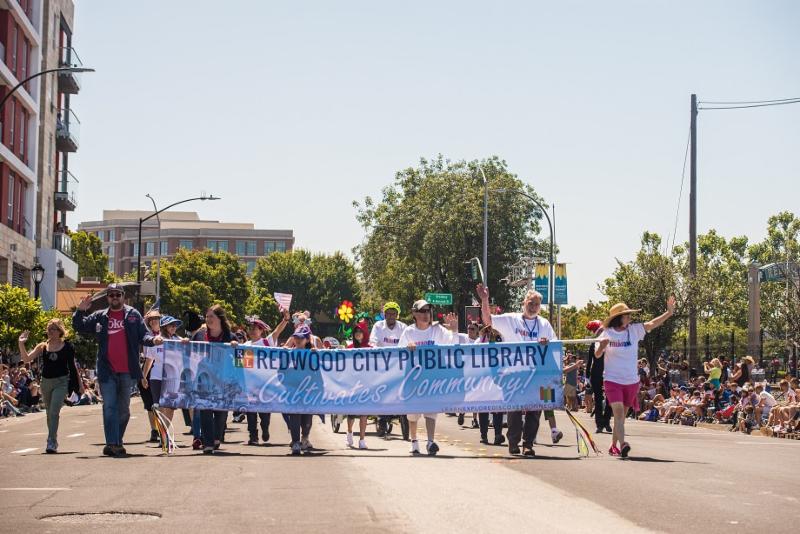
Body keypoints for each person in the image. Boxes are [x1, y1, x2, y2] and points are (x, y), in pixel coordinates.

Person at [72, 283, 161, 457]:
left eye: (118, 294)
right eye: (111, 294)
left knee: (124, 411)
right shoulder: (100, 316)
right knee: (110, 407)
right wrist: (80, 310)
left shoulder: (133, 315)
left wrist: (153, 340)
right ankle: (113, 443)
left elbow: (143, 335)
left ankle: (115, 441)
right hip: (107, 371)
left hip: (127, 370)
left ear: (123, 296)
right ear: (107, 298)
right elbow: (79, 326)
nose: (114, 297)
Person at [476, 284, 557, 457]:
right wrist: (485, 299)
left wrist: (547, 344)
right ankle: (513, 442)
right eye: (530, 303)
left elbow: (555, 346)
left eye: (537, 304)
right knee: (514, 410)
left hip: (536, 374)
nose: (533, 307)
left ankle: (528, 444)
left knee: (535, 410)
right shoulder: (511, 319)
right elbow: (488, 320)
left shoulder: (544, 324)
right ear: (523, 303)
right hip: (514, 373)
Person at [594, 296, 675, 458]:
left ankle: (613, 446)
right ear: (618, 317)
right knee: (618, 414)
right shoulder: (606, 333)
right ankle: (623, 444)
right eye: (627, 315)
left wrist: (668, 313)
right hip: (612, 380)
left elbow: (652, 324)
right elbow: (597, 355)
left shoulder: (634, 330)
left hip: (631, 381)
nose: (630, 317)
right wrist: (602, 346)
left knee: (621, 418)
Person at [398, 299, 459, 456]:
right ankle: (414, 441)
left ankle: (430, 442)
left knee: (431, 411)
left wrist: (454, 330)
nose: (426, 314)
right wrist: (407, 347)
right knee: (413, 414)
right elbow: (398, 354)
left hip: (432, 379)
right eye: (422, 311)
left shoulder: (437, 330)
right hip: (414, 378)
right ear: (414, 313)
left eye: (428, 311)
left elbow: (453, 346)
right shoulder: (408, 332)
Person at [17, 319, 82, 453]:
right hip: (45, 382)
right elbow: (27, 359)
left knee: (54, 411)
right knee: (49, 413)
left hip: (61, 382)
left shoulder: (67, 346)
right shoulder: (42, 346)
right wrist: (21, 344)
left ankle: (51, 441)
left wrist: (79, 384)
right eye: (49, 329)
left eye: (53, 329)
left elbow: (73, 366)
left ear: (60, 331)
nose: (50, 331)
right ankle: (53, 438)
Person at [194, 304, 237, 454]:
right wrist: (185, 343)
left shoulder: (230, 337)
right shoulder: (199, 335)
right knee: (205, 409)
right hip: (204, 379)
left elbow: (241, 361)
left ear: (220, 318)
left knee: (220, 411)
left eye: (211, 316)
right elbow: (189, 353)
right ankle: (208, 442)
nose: (208, 319)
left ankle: (217, 437)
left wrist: (235, 349)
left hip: (223, 380)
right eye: (207, 316)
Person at [242, 313, 288, 445]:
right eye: (250, 328)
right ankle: (253, 436)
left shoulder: (267, 342)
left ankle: (265, 427)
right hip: (250, 386)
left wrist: (285, 320)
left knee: (265, 412)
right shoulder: (245, 345)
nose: (252, 331)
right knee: (251, 412)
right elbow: (242, 365)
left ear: (261, 331)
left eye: (255, 328)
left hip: (266, 385)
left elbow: (277, 331)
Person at [369, 301, 407, 436]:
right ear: (384, 315)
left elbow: (408, 341)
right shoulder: (378, 326)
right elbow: (373, 342)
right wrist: (375, 347)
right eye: (388, 314)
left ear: (397, 315)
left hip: (398, 365)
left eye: (393, 314)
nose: (391, 316)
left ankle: (402, 413)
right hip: (382, 365)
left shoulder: (403, 327)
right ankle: (381, 418)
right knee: (383, 390)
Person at [285, 325, 316, 455]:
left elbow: (318, 370)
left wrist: (316, 354)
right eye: (296, 337)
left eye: (301, 338)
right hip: (293, 390)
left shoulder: (312, 353)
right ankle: (296, 442)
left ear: (307, 339)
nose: (298, 340)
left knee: (307, 417)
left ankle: (305, 437)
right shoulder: (287, 353)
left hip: (308, 390)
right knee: (294, 415)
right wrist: (282, 353)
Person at [476, 325, 506, 446]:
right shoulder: (480, 341)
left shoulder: (502, 339)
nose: (491, 331)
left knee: (497, 407)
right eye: (488, 329)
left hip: (498, 377)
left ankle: (498, 434)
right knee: (483, 407)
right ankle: (483, 435)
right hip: (484, 378)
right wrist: (483, 336)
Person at [345, 321, 371, 449]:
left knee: (364, 413)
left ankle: (362, 439)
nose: (358, 333)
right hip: (352, 384)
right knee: (351, 413)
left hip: (366, 384)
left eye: (360, 331)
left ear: (365, 333)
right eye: (356, 331)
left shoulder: (371, 349)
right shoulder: (349, 348)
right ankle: (349, 432)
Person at [585, 320, 612, 433]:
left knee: (610, 398)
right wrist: (587, 377)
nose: (600, 333)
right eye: (598, 331)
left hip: (609, 373)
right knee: (598, 398)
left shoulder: (610, 343)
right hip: (596, 373)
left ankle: (607, 421)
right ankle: (599, 423)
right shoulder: (594, 344)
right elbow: (589, 361)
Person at [139, 310, 162, 443]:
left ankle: (162, 428)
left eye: (156, 319)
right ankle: (154, 430)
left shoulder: (165, 335)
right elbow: (147, 358)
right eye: (151, 320)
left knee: (159, 403)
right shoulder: (145, 335)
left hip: (160, 368)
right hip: (147, 368)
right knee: (149, 403)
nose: (153, 321)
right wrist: (143, 376)